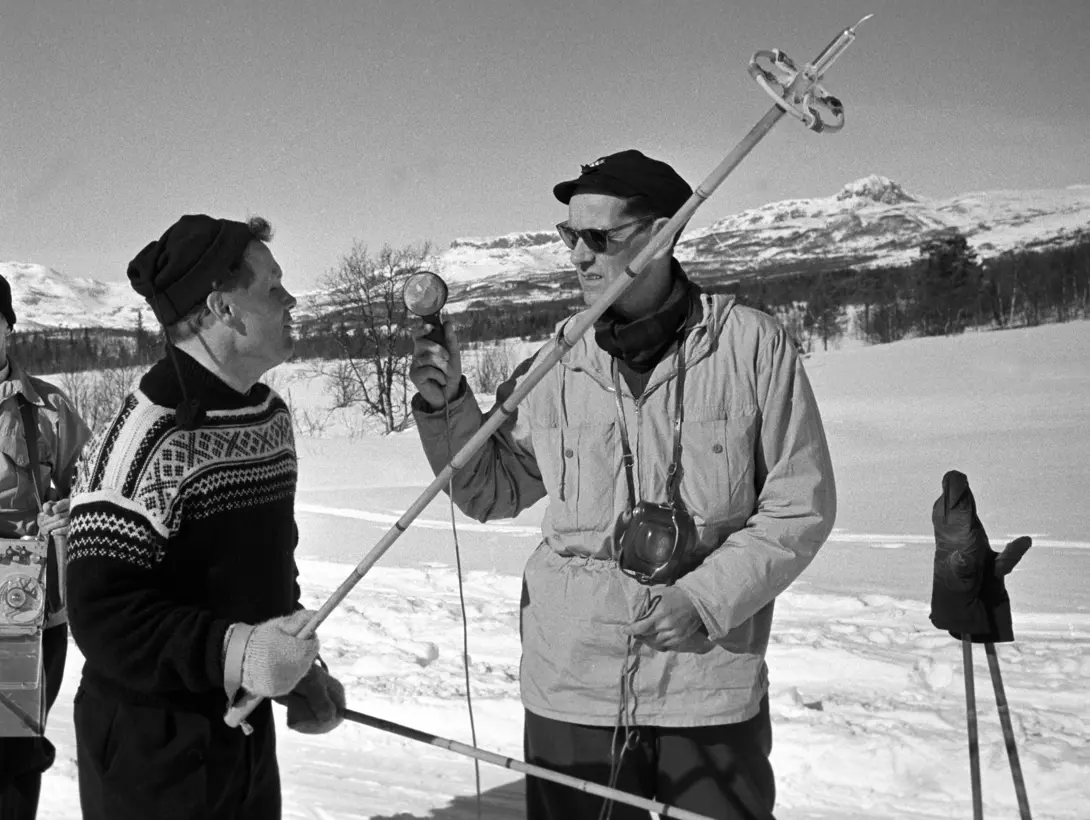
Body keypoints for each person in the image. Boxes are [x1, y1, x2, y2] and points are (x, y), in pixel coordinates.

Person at [410, 149, 837, 820]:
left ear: (661, 235)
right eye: (567, 236)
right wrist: (447, 408)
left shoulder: (752, 349)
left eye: (598, 237)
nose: (578, 256)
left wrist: (704, 597)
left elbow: (798, 506)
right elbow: (491, 490)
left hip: (705, 684)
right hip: (571, 689)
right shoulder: (553, 363)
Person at [65, 214, 346, 820]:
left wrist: (295, 664)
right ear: (223, 307)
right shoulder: (144, 440)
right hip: (150, 743)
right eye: (272, 287)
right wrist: (239, 652)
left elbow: (264, 573)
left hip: (239, 729)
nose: (290, 299)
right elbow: (104, 617)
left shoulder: (268, 417)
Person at [0, 275, 92, 820]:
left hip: (24, 607)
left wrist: (69, 508)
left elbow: (95, 487)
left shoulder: (49, 408)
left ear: (8, 329)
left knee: (13, 750)